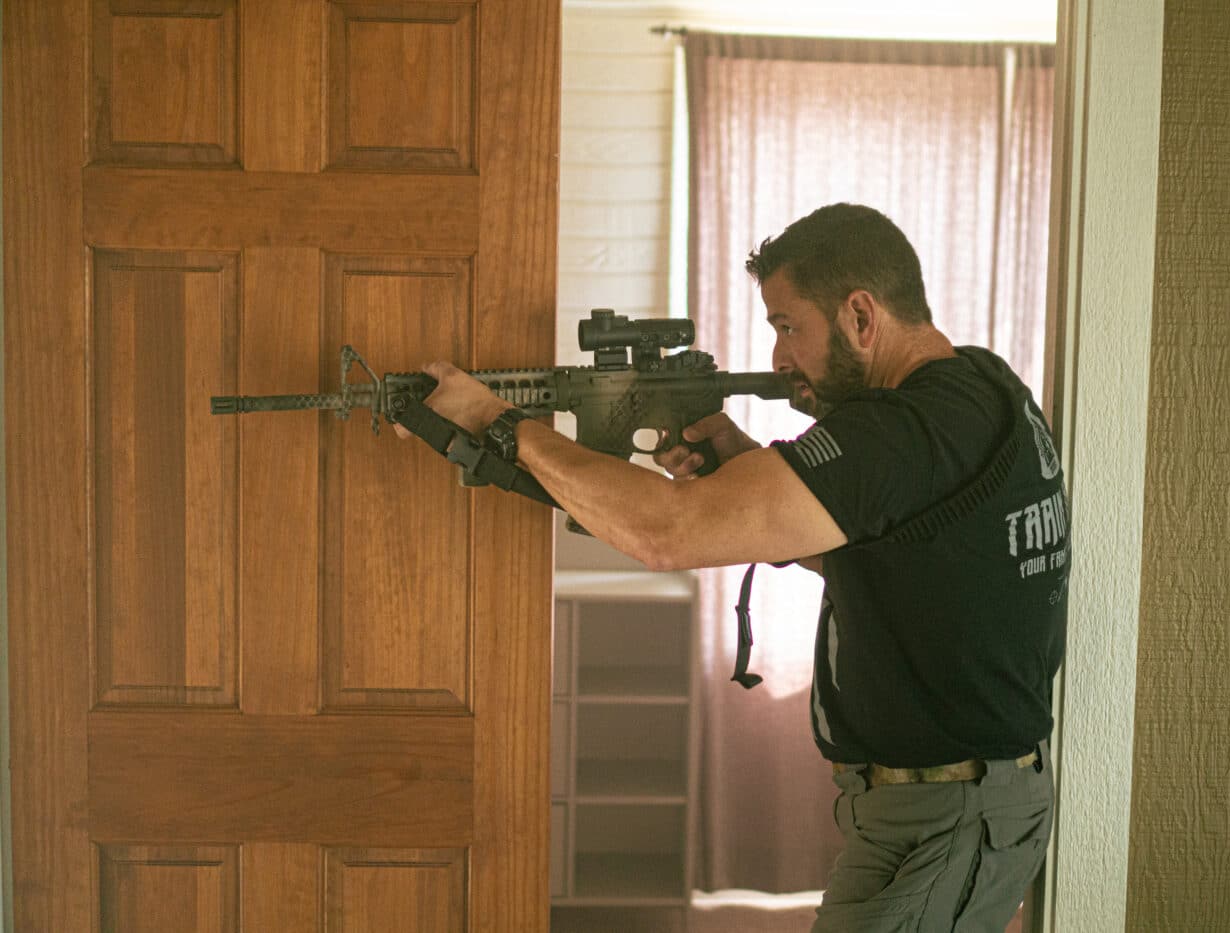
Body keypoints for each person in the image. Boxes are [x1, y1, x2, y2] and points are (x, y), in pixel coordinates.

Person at [397, 203, 1069, 932]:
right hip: (931, 806)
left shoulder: (903, 431)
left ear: (861, 316)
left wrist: (500, 424)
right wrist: (747, 472)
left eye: (789, 325)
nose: (779, 357)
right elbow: (900, 558)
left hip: (948, 813)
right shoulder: (978, 386)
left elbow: (665, 534)